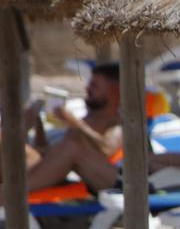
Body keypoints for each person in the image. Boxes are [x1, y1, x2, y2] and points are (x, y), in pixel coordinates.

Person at [19, 63, 123, 192]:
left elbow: (107, 148)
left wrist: (75, 123)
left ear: (115, 91)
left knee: (72, 147)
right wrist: (37, 122)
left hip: (100, 181)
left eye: (94, 86)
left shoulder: (118, 122)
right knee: (6, 141)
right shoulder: (86, 120)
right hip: (55, 173)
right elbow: (47, 153)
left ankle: (11, 193)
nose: (88, 89)